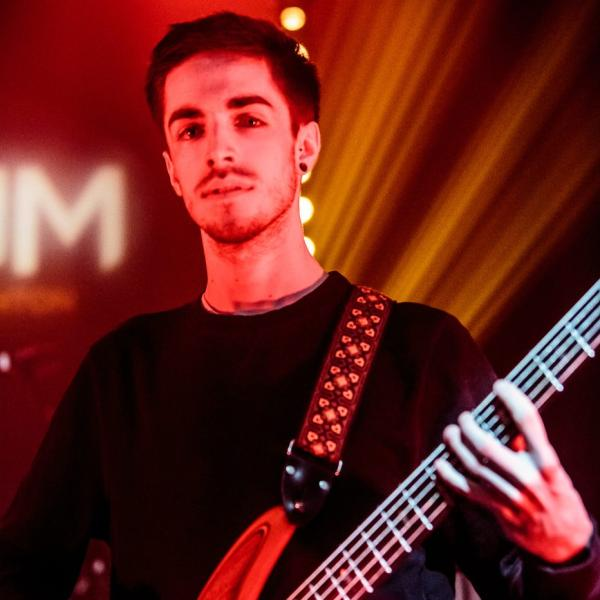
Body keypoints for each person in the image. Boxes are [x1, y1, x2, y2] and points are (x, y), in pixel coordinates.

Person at [1, 11, 598, 600]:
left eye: (249, 119)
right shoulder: (122, 372)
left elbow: (518, 584)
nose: (219, 150)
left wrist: (569, 553)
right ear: (172, 171)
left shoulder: (419, 352)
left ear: (305, 147)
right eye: (190, 130)